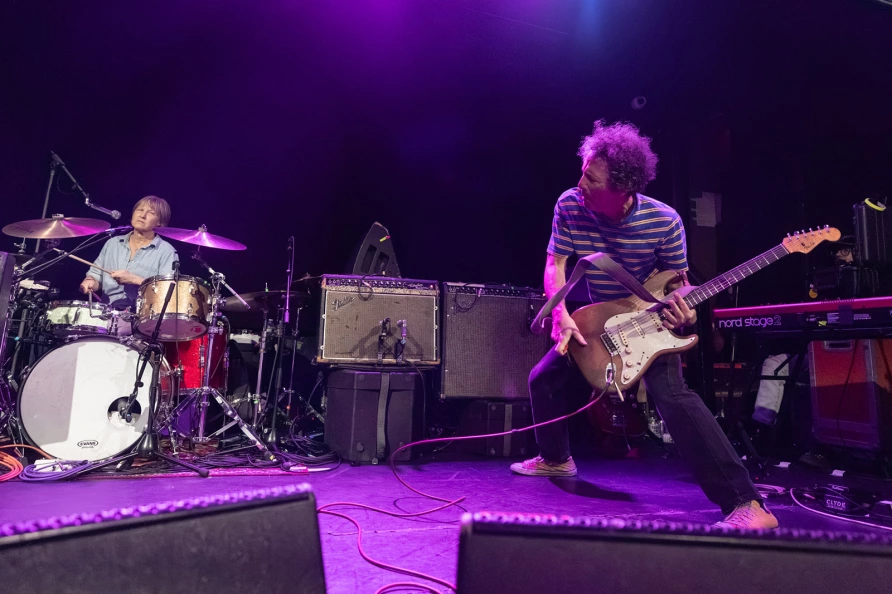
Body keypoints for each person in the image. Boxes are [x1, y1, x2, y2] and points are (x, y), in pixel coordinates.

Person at [510, 120, 778, 530]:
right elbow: (555, 264)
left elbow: (679, 285)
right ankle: (556, 459)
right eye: (583, 170)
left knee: (672, 395)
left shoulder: (665, 221)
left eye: (591, 177)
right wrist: (560, 313)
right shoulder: (569, 204)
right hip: (600, 321)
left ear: (622, 187)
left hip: (648, 325)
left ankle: (747, 504)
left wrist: (685, 313)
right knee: (543, 378)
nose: (580, 180)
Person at [79, 196, 178, 309]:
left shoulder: (167, 251)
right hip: (107, 313)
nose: (142, 215)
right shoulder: (113, 243)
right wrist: (90, 282)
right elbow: (96, 276)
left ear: (160, 222)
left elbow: (168, 291)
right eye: (140, 210)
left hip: (141, 318)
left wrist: (134, 279)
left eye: (151, 212)